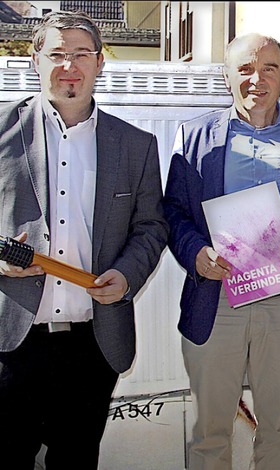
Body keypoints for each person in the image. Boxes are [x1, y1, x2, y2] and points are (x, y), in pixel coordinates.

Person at [162, 32, 280, 470]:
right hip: (219, 298)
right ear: (227, 76)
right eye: (245, 68)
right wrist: (196, 254)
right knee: (210, 432)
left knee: (278, 429)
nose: (257, 79)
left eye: (269, 68)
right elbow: (172, 211)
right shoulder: (194, 137)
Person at [0, 11, 168, 470]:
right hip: (12, 340)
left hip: (92, 343)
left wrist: (128, 274)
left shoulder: (136, 145)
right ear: (35, 60)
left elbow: (151, 227)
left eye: (80, 54)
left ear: (98, 63)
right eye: (56, 53)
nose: (68, 65)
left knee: (76, 459)